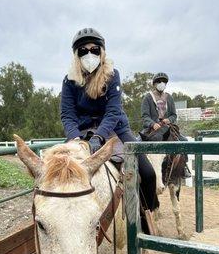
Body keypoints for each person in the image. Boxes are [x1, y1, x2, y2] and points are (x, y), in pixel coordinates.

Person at [60, 28, 158, 228]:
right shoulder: (69, 80)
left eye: (94, 49)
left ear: (102, 52)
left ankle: (145, 217)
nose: (89, 54)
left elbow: (113, 112)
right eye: (83, 51)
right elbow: (67, 115)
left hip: (115, 128)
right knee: (59, 172)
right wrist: (75, 138)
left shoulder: (113, 75)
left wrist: (99, 137)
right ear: (76, 55)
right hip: (81, 132)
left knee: (148, 173)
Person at [141, 72, 191, 178]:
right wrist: (152, 124)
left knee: (184, 141)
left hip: (167, 128)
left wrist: (169, 119)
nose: (161, 83)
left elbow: (174, 115)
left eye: (164, 81)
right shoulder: (148, 98)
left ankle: (184, 167)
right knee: (136, 143)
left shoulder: (169, 97)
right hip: (152, 129)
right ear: (154, 84)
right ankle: (137, 168)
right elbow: (145, 116)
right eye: (159, 81)